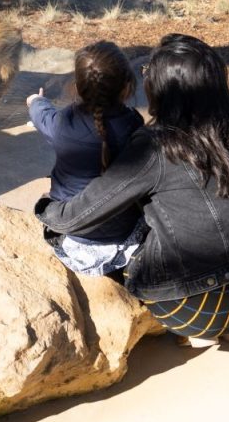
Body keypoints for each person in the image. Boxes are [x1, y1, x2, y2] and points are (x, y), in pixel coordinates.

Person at [36, 34, 229, 347]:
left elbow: (82, 215)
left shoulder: (155, 145)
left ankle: (195, 332)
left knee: (119, 237)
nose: (144, 77)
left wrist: (46, 208)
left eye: (149, 71)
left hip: (188, 308)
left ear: (164, 87)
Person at [26, 40, 144, 277]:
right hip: (122, 233)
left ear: (77, 87)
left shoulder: (63, 122)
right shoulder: (133, 125)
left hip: (71, 232)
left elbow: (42, 115)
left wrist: (35, 101)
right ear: (127, 87)